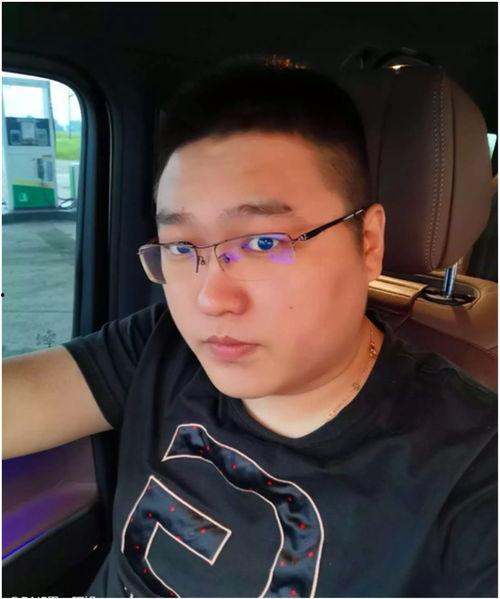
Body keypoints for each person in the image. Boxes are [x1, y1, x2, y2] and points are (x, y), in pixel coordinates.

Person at [3, 55, 497, 598]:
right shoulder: (161, 345)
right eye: (180, 247)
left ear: (368, 243)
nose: (210, 299)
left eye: (263, 242)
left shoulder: (473, 473)